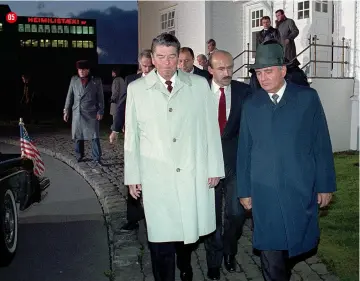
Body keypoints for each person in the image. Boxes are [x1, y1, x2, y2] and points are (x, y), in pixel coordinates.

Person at [124, 33, 225, 281]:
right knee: (160, 242)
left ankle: (186, 267)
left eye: (171, 57)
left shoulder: (199, 86)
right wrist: (132, 176)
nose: (167, 63)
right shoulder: (137, 89)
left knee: (185, 235)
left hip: (191, 173)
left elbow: (211, 129)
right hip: (156, 178)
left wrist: (214, 167)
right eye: (161, 57)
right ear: (152, 58)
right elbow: (132, 138)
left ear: (178, 58)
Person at [237, 43, 336, 281]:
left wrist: (324, 185)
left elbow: (321, 143)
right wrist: (244, 190)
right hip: (264, 190)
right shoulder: (251, 105)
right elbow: (244, 151)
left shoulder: (307, 98)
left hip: (299, 186)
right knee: (271, 253)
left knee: (296, 242)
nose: (263, 77)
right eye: (258, 73)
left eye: (268, 71)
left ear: (283, 70)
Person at [204, 50, 249, 280]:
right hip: (207, 163)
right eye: (221, 68)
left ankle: (230, 251)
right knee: (211, 217)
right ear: (210, 70)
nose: (227, 72)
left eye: (230, 67)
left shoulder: (244, 91)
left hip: (234, 162)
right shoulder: (198, 92)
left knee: (237, 213)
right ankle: (214, 259)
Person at [109, 50, 154, 233]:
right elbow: (122, 106)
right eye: (144, 66)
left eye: (150, 66)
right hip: (136, 137)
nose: (148, 69)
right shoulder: (131, 81)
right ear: (139, 64)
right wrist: (114, 129)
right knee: (133, 176)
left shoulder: (164, 81)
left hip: (157, 138)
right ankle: (133, 218)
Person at [63, 60, 104, 165]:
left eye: (83, 69)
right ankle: (79, 155)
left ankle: (97, 157)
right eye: (79, 69)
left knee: (94, 135)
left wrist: (100, 110)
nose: (81, 71)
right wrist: (66, 110)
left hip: (91, 112)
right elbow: (69, 96)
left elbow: (100, 97)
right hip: (77, 111)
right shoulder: (74, 80)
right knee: (78, 135)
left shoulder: (96, 81)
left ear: (88, 70)